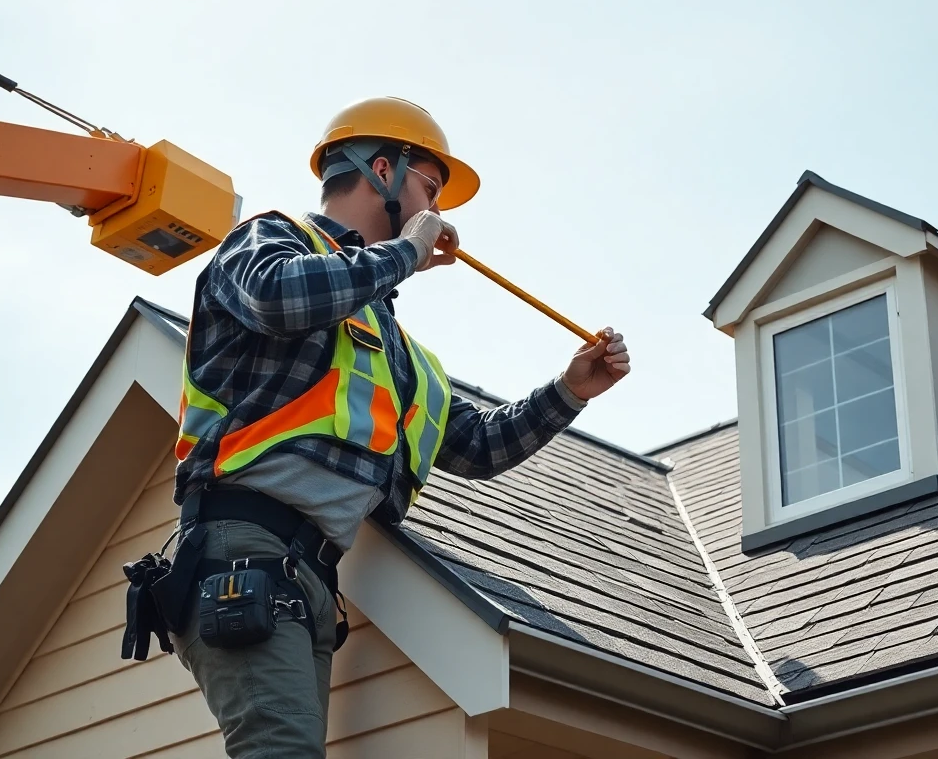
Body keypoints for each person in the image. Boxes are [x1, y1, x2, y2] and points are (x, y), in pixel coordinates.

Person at [161, 97, 629, 757]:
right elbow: (278, 297)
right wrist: (403, 255)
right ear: (382, 169)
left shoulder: (397, 354)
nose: (438, 214)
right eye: (430, 189)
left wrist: (570, 390)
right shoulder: (269, 239)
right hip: (243, 550)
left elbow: (478, 445)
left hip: (304, 580)